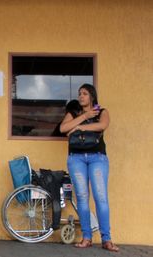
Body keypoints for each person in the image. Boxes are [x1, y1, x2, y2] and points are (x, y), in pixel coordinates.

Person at [60, 84, 119, 252]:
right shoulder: (73, 113)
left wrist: (79, 127)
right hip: (76, 158)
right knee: (82, 197)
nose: (81, 96)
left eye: (85, 93)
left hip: (97, 158)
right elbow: (64, 128)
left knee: (101, 197)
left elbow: (102, 125)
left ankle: (106, 239)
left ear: (92, 96)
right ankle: (87, 238)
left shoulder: (101, 111)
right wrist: (83, 116)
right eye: (79, 94)